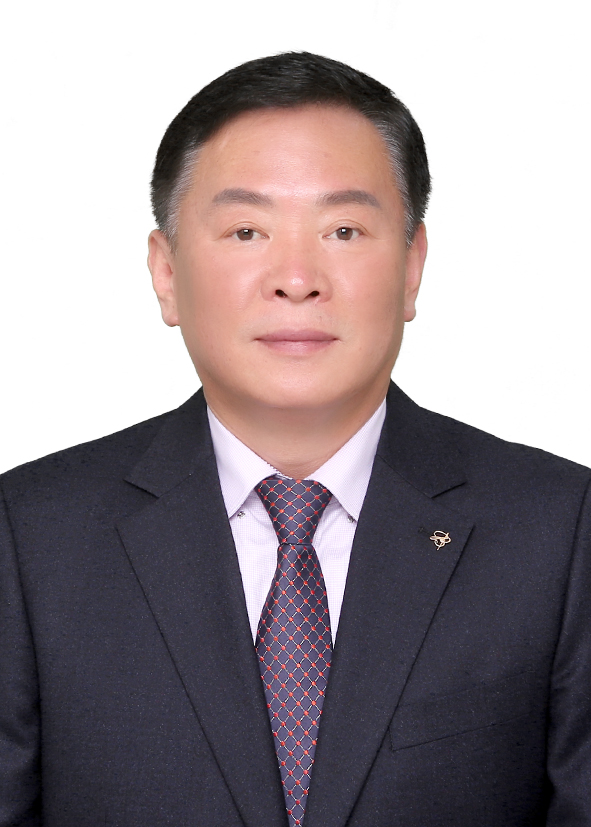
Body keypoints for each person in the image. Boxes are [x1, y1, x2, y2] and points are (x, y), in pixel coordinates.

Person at [1, 51, 589, 827]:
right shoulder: (30, 534)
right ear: (166, 272)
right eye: (246, 230)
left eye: (343, 229)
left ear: (411, 266)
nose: (296, 277)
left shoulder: (559, 528)